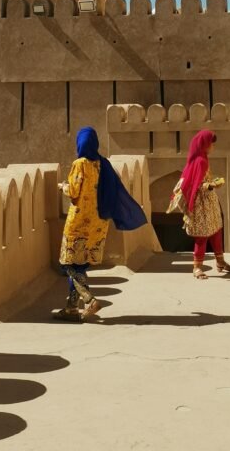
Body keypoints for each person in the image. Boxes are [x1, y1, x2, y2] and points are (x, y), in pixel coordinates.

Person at [54, 126, 147, 321]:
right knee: (80, 266)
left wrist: (63, 186)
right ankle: (71, 307)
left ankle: (88, 299)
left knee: (67, 263)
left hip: (78, 222)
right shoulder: (103, 164)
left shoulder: (79, 164)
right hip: (98, 224)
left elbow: (73, 192)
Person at [168, 129, 230, 279]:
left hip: (209, 203)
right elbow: (197, 184)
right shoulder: (200, 161)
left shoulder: (202, 158)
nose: (213, 147)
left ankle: (220, 262)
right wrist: (211, 185)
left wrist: (210, 184)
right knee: (203, 235)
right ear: (205, 144)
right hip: (202, 205)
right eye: (211, 144)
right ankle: (197, 267)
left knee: (216, 231)